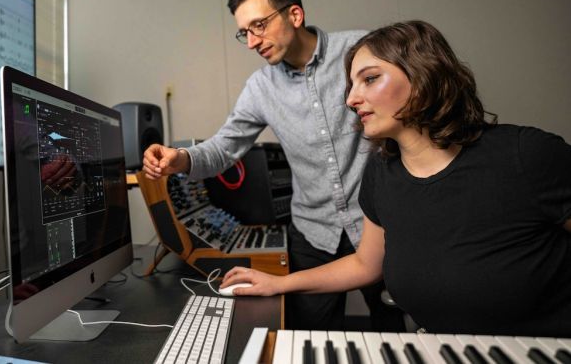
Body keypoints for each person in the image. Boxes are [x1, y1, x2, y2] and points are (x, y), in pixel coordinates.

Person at [220, 20, 571, 336]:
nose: (351, 99)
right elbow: (365, 264)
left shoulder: (527, 154)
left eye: (370, 78)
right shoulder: (381, 172)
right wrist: (278, 284)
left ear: (423, 76)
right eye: (351, 84)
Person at [142, 0, 403, 330]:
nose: (251, 42)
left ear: (294, 15)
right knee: (307, 337)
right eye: (243, 32)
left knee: (395, 331)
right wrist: (181, 158)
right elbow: (224, 147)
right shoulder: (261, 87)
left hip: (382, 225)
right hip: (313, 234)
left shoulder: (359, 51)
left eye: (258, 26)